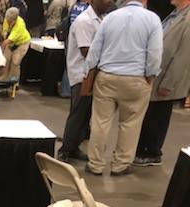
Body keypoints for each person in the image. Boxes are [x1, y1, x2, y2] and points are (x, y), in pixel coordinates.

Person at [83, 0, 162, 176]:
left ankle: (95, 164)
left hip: (107, 76)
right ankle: (120, 165)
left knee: (100, 122)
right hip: (136, 78)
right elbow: (155, 53)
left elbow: (95, 49)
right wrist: (150, 75)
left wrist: (88, 73)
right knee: (130, 124)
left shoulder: (110, 18)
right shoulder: (152, 19)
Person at [134, 0, 190, 166]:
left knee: (158, 116)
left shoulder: (187, 19)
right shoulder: (174, 15)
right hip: (157, 75)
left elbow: (183, 57)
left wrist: (169, 83)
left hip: (167, 79)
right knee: (150, 115)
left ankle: (151, 152)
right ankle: (142, 148)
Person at [59, 0, 111, 161]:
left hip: (91, 74)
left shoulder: (100, 19)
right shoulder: (84, 21)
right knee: (78, 114)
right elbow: (85, 50)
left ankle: (74, 147)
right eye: (105, 0)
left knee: (85, 115)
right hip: (82, 75)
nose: (109, 3)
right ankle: (65, 150)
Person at [0, 7, 31, 87]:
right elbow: (5, 32)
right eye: (8, 21)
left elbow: (8, 40)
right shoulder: (6, 20)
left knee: (15, 62)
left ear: (15, 19)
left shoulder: (20, 25)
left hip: (22, 43)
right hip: (11, 43)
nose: (8, 23)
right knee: (5, 60)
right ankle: (2, 81)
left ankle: (14, 83)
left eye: (10, 21)